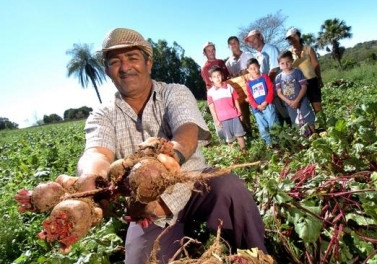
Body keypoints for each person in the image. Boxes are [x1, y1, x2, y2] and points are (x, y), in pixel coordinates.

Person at [77, 28, 266, 264]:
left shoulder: (174, 92)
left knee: (229, 187)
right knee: (141, 259)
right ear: (107, 71)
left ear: (149, 64)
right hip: (148, 209)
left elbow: (186, 129)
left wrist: (172, 157)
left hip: (195, 184)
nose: (125, 67)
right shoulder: (102, 114)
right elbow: (96, 152)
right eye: (115, 62)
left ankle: (260, 255)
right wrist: (91, 178)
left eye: (133, 58)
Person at [244, 29, 291, 125]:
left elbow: (274, 69)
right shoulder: (257, 55)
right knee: (277, 113)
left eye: (254, 39)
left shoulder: (270, 49)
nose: (252, 43)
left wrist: (266, 84)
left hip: (277, 85)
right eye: (250, 41)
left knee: (285, 110)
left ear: (260, 37)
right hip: (270, 89)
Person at [207, 66, 247, 153]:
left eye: (219, 75)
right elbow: (212, 107)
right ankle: (233, 154)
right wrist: (216, 119)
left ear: (222, 75)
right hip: (222, 119)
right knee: (229, 139)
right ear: (211, 79)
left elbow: (235, 100)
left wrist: (239, 112)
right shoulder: (210, 92)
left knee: (239, 135)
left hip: (234, 115)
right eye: (214, 76)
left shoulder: (229, 87)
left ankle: (244, 152)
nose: (217, 78)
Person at [275, 50, 315, 135]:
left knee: (308, 117)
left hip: (302, 100)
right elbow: (279, 93)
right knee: (296, 120)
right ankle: (304, 138)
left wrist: (297, 100)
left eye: (288, 62)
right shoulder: (278, 78)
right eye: (282, 63)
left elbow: (304, 87)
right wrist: (290, 102)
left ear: (292, 61)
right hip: (289, 104)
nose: (285, 65)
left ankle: (315, 134)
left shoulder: (297, 72)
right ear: (279, 64)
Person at [286, 27, 323, 114]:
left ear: (299, 36)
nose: (292, 40)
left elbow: (316, 65)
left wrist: (319, 78)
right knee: (304, 108)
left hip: (312, 80)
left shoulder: (308, 49)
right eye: (289, 39)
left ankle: (323, 125)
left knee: (317, 105)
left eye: (294, 36)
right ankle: (311, 126)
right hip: (299, 84)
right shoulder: (289, 53)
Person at [245, 59, 278, 146]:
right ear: (248, 70)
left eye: (255, 67)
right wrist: (256, 106)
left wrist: (266, 102)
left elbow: (271, 90)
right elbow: (250, 97)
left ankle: (277, 142)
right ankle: (268, 144)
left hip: (268, 105)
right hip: (257, 109)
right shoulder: (248, 83)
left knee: (273, 124)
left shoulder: (264, 77)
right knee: (262, 127)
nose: (254, 70)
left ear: (259, 66)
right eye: (251, 69)